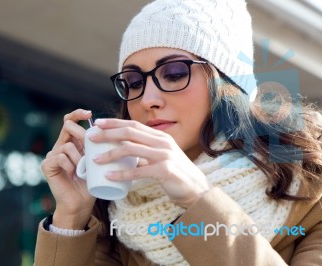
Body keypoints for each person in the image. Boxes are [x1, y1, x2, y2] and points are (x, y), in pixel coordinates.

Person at [34, 0, 322, 265]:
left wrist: (197, 197)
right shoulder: (120, 209)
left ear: (228, 83)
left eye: (173, 74)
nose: (147, 99)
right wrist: (71, 217)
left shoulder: (311, 180)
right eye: (133, 82)